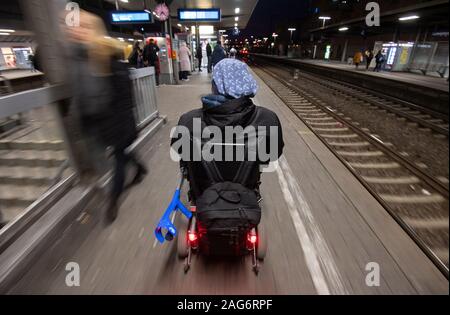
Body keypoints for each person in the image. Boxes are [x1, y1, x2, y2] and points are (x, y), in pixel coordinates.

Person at [68, 11, 147, 222]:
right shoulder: (79, 59)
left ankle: (113, 200)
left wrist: (121, 123)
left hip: (117, 121)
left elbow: (124, 98)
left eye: (84, 27)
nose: (77, 31)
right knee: (119, 155)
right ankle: (139, 167)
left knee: (119, 159)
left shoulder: (110, 59)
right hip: (97, 123)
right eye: (75, 26)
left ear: (95, 31)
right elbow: (80, 92)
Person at [171, 58, 284, 203]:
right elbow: (272, 155)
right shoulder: (267, 119)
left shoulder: (188, 120)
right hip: (245, 194)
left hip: (203, 196)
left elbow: (179, 152)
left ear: (216, 85)